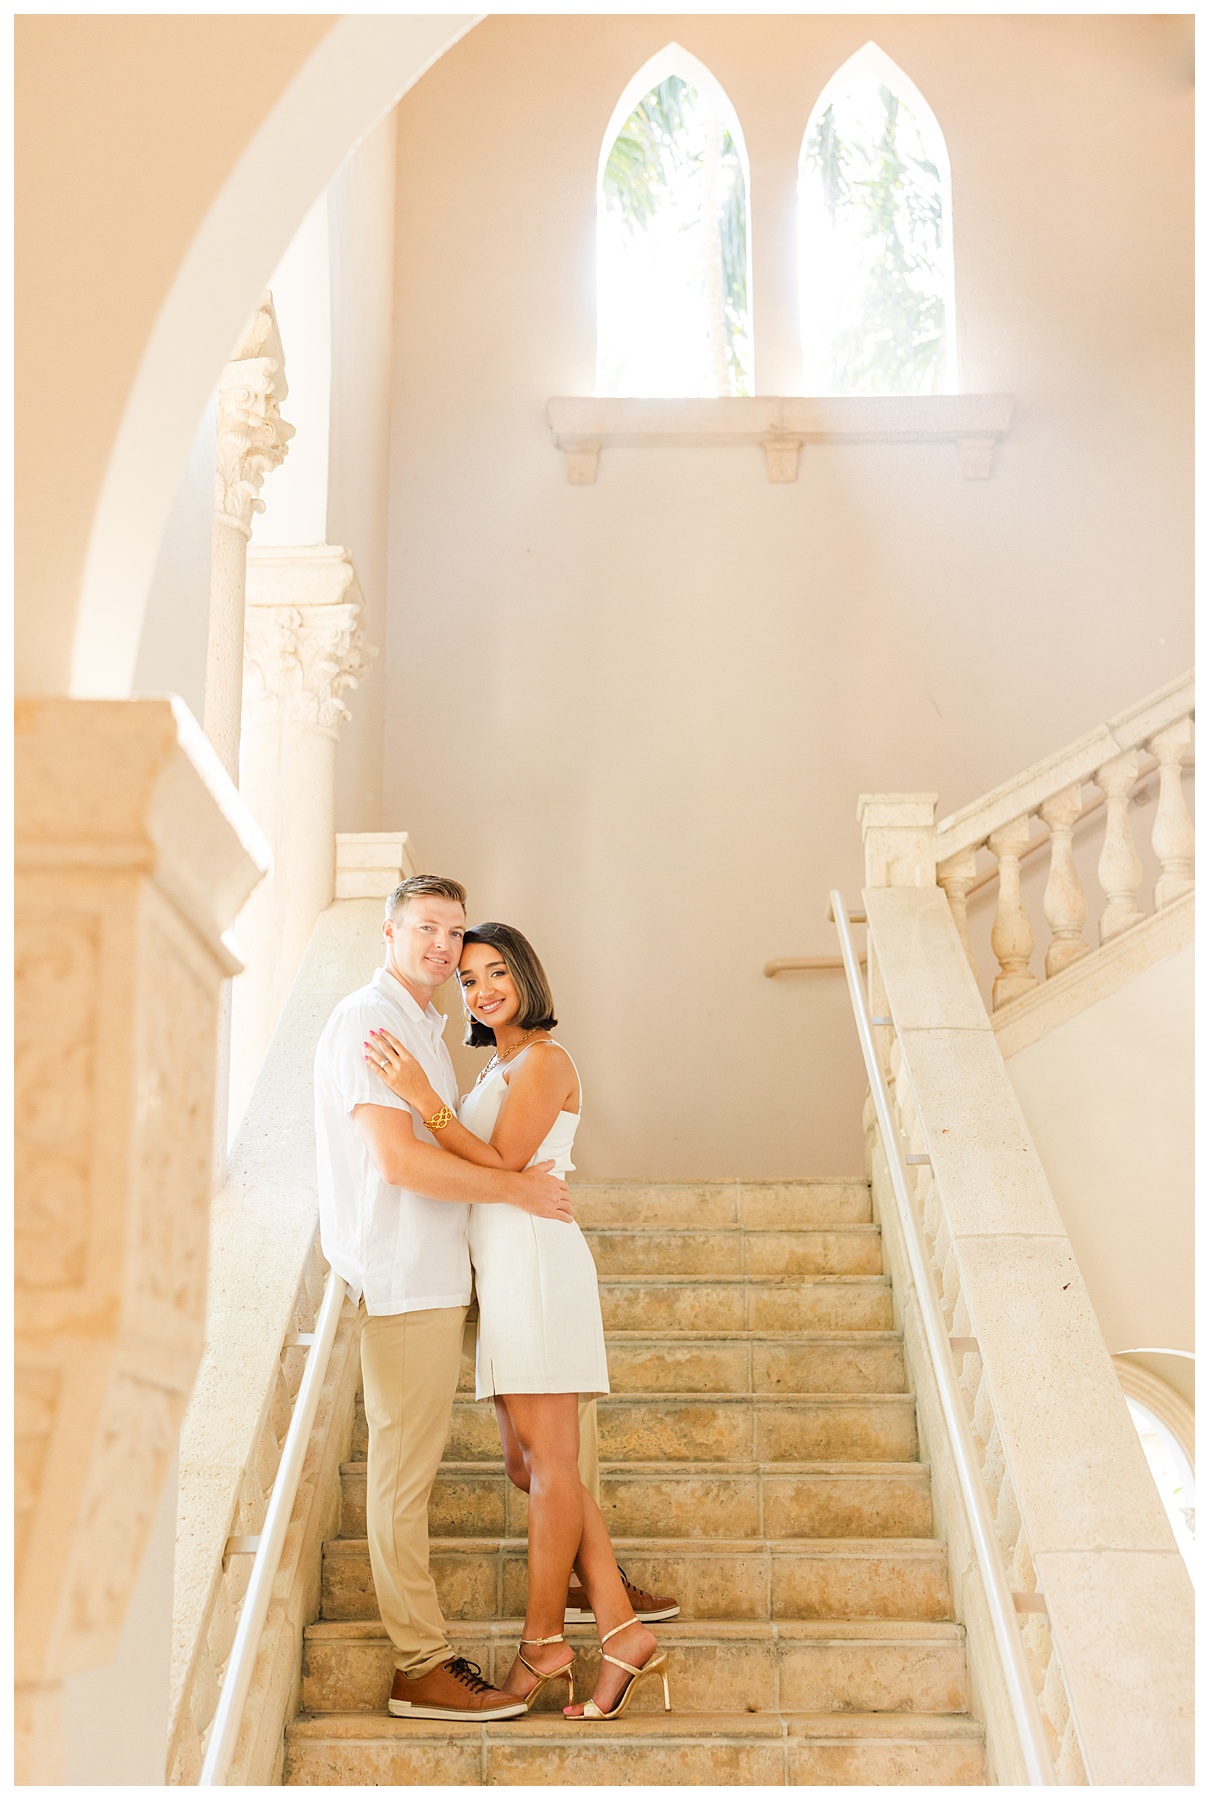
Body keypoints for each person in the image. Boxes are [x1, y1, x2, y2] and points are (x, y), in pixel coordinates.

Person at [365, 919, 672, 1722]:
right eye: (468, 980)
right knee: (532, 1466)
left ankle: (544, 1642)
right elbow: (485, 1161)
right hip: (503, 1273)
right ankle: (622, 1628)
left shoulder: (546, 1060)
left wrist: (423, 1101)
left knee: (549, 1465)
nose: (482, 989)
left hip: (536, 1263)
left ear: (526, 977)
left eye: (496, 972)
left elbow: (501, 1163)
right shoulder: (497, 1064)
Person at [314, 874, 572, 1722]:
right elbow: (395, 1162)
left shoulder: (427, 1025)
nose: (442, 944)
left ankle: (599, 1586)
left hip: (450, 1271)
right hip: (404, 1278)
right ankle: (419, 1662)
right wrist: (513, 1192)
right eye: (426, 927)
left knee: (542, 1448)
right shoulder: (369, 1018)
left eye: (453, 932)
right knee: (402, 1475)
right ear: (388, 931)